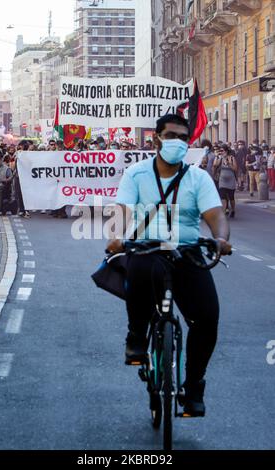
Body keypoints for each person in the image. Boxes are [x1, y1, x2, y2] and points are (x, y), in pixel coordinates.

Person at [107, 114, 232, 417]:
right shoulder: (136, 175)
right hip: (146, 248)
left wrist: (220, 239)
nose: (177, 142)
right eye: (171, 136)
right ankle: (136, 336)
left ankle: (192, 389)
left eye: (183, 137)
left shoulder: (197, 177)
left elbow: (216, 215)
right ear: (156, 140)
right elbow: (122, 212)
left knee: (207, 318)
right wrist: (117, 237)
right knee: (138, 269)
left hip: (187, 251)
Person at [213, 144, 237, 218]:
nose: (221, 152)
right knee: (223, 197)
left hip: (231, 180)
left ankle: (233, 210)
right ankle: (223, 214)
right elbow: (214, 165)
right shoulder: (218, 157)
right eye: (220, 151)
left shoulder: (232, 158)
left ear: (226, 151)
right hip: (222, 180)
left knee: (231, 197)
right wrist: (218, 159)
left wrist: (229, 163)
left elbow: (235, 169)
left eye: (222, 151)